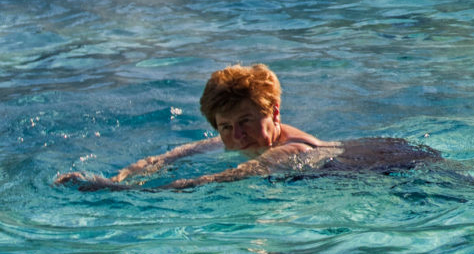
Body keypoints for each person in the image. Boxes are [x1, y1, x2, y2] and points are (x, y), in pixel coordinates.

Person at [54, 63, 435, 191]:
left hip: (389, 168)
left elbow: (221, 180)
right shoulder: (228, 138)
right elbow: (169, 156)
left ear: (275, 113)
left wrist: (117, 194)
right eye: (225, 127)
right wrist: (122, 177)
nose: (236, 137)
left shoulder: (292, 149)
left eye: (247, 122)